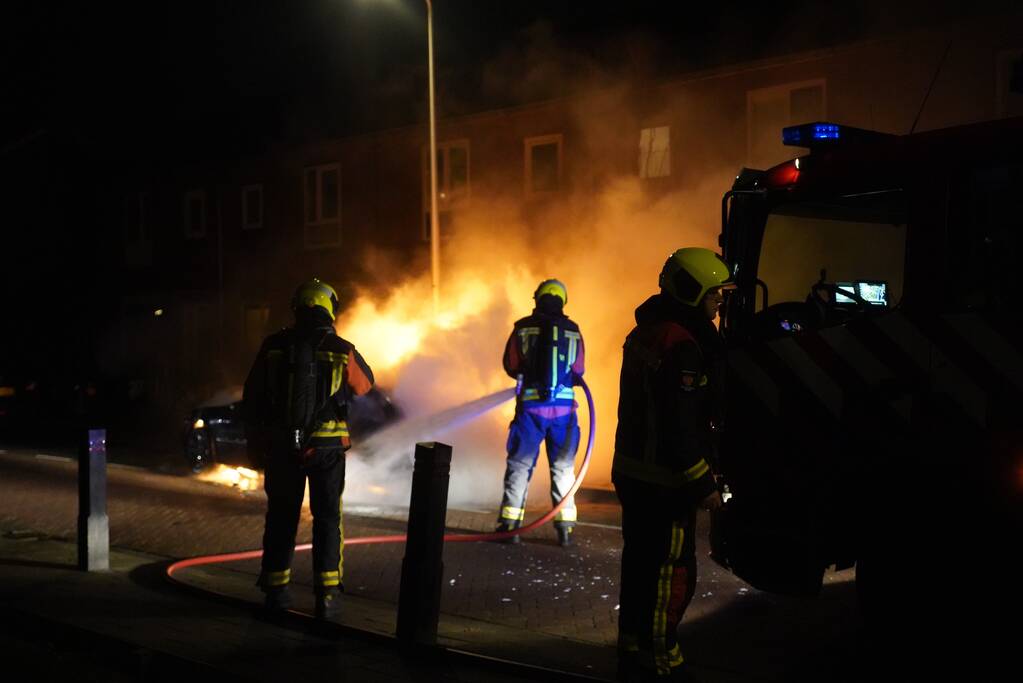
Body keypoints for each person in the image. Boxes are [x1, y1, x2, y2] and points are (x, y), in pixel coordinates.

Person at [612, 248, 732, 682]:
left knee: (639, 564)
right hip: (666, 481)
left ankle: (631, 646)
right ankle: (663, 661)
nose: (719, 304)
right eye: (715, 295)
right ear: (691, 291)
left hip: (632, 471)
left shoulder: (647, 332)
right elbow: (681, 425)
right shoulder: (683, 345)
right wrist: (704, 484)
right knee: (671, 572)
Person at [243, 278, 374, 619]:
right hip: (327, 450)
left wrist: (258, 442)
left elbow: (252, 395)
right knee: (327, 518)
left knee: (281, 518)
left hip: (282, 448)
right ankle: (327, 596)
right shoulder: (341, 348)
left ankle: (275, 591)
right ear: (330, 308)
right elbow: (364, 385)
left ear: (297, 307)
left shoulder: (273, 346)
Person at [496, 278, 585, 547]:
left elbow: (510, 364)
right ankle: (565, 529)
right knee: (563, 469)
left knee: (520, 466)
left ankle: (510, 526)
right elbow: (579, 370)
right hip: (564, 415)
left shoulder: (523, 328)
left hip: (531, 412)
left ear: (537, 299)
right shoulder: (573, 330)